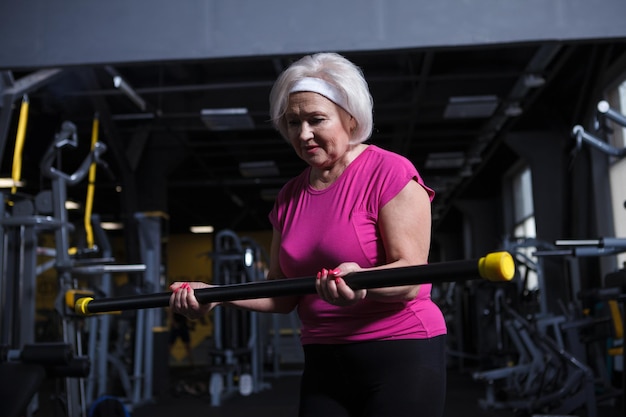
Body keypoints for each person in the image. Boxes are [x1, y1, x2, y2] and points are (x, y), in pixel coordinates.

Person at [170, 52, 447, 417]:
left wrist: (361, 281)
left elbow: (410, 276)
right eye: (292, 122)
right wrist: (216, 295)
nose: (303, 134)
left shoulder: (390, 172)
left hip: (400, 349)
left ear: (350, 118)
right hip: (323, 358)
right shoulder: (288, 196)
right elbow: (282, 294)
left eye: (316, 120)